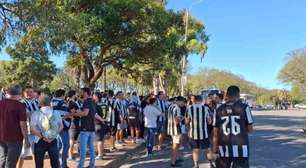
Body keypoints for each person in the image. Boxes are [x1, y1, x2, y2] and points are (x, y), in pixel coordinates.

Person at [212, 86, 254, 168]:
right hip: (241, 147)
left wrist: (214, 151)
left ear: (226, 95)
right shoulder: (245, 108)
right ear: (238, 95)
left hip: (223, 148)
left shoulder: (218, 110)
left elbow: (215, 133)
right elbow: (250, 129)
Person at [0, 85, 29, 168]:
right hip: (15, 139)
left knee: (2, 159)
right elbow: (23, 125)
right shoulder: (20, 106)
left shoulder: (1, 103)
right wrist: (26, 139)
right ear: (19, 94)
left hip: (2, 137)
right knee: (10, 163)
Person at [31, 94, 63, 168]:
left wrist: (43, 137)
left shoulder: (35, 113)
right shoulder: (56, 113)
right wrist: (53, 136)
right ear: (50, 102)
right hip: (53, 139)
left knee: (39, 164)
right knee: (55, 163)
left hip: (39, 140)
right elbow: (61, 126)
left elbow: (32, 130)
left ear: (40, 103)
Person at [73, 88, 96, 168]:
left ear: (86, 93)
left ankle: (80, 166)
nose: (81, 93)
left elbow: (85, 113)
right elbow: (94, 114)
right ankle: (92, 165)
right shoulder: (92, 102)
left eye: (82, 92)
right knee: (91, 148)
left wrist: (74, 114)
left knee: (83, 149)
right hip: (91, 128)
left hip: (85, 128)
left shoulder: (86, 101)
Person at [185, 95, 211, 168]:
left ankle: (196, 165)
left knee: (195, 149)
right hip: (204, 133)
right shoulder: (206, 108)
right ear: (201, 100)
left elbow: (186, 122)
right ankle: (211, 163)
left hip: (193, 133)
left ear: (194, 100)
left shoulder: (189, 108)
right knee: (208, 148)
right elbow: (209, 122)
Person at [18, 86, 40, 168]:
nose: (29, 93)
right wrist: (38, 113)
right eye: (27, 92)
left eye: (31, 91)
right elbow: (26, 114)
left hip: (37, 130)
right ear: (24, 93)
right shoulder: (22, 103)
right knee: (23, 152)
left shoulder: (36, 102)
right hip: (28, 131)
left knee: (36, 152)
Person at [51, 89, 71, 168]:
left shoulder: (53, 101)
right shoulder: (60, 102)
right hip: (61, 127)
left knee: (59, 146)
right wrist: (68, 115)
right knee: (65, 145)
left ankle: (60, 164)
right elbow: (61, 115)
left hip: (57, 126)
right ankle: (62, 165)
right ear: (62, 95)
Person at [167, 96, 185, 167]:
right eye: (183, 102)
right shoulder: (177, 108)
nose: (183, 104)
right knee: (176, 146)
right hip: (176, 129)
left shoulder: (171, 106)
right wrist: (183, 118)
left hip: (170, 128)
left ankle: (176, 158)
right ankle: (173, 162)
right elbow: (177, 121)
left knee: (176, 145)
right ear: (179, 101)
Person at [67, 90, 81, 162]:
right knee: (71, 140)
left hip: (75, 123)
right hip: (73, 123)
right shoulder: (71, 102)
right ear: (73, 95)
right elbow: (72, 112)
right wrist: (81, 113)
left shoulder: (72, 102)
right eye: (75, 94)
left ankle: (71, 156)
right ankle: (70, 157)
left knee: (73, 140)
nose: (76, 95)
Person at [93, 92, 109, 160]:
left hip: (98, 123)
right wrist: (105, 119)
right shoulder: (105, 104)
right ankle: (101, 153)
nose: (93, 96)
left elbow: (95, 114)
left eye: (94, 95)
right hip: (104, 123)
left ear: (96, 97)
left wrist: (101, 120)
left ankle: (100, 155)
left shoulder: (95, 104)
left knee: (99, 140)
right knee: (102, 139)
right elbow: (108, 112)